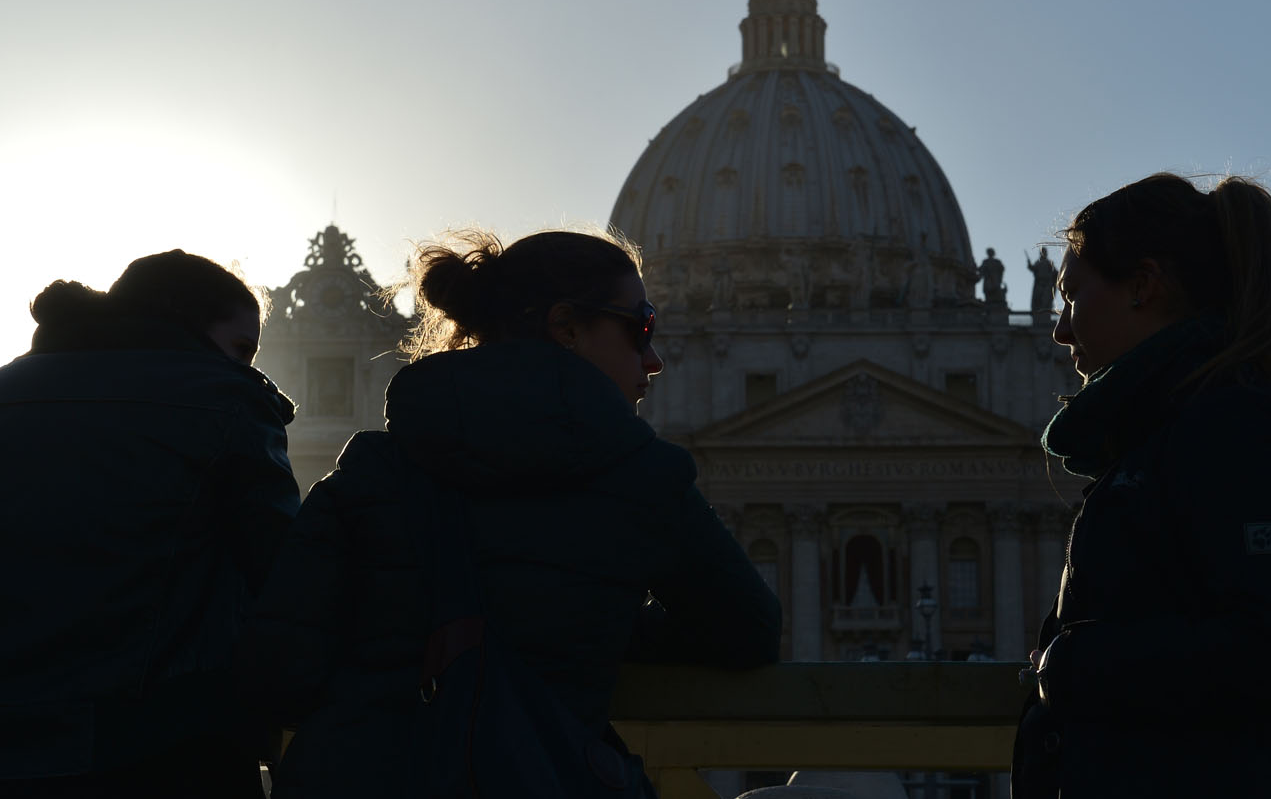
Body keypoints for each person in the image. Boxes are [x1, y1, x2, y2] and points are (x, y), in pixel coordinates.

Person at [238, 228, 782, 797]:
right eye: (641, 325)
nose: (654, 357)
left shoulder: (371, 469)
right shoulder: (642, 475)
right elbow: (749, 632)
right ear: (567, 327)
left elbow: (278, 668)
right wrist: (597, 622)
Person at [1013, 173, 1271, 797]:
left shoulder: (1228, 429)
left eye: (1072, 297)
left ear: (1143, 285)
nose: (1059, 329)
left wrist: (1078, 664)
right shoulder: (1175, 428)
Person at [0, 250, 299, 798]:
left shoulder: (10, 388)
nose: (245, 367)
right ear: (188, 325)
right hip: (164, 746)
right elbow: (287, 578)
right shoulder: (226, 398)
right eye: (241, 348)